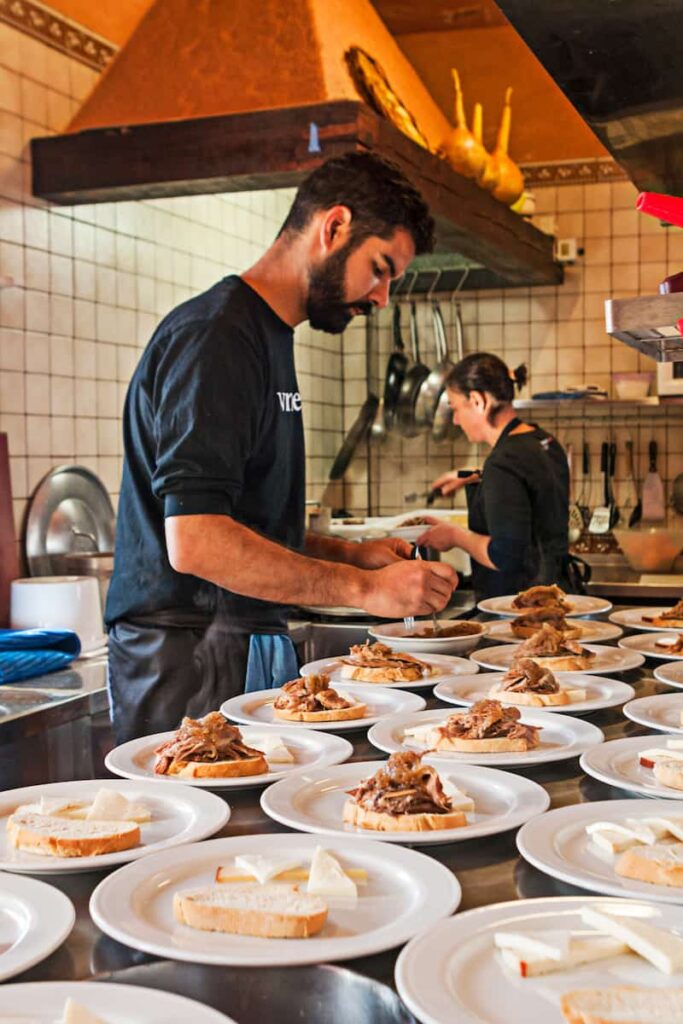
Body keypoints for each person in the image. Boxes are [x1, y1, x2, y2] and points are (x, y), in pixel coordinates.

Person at [106, 152, 457, 742]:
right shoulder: (216, 337)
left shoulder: (267, 336)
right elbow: (196, 540)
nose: (382, 298)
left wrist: (351, 554)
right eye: (380, 268)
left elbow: (241, 522)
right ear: (334, 227)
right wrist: (366, 590)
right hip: (186, 655)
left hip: (234, 638)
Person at [416, 352, 569, 601]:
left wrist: (455, 536)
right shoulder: (543, 440)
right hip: (555, 595)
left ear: (477, 401)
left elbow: (505, 555)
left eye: (455, 408)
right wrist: (472, 476)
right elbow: (529, 480)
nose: (455, 420)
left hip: (517, 608)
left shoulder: (502, 463)